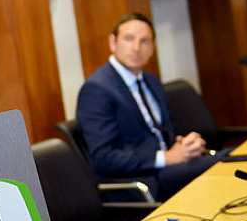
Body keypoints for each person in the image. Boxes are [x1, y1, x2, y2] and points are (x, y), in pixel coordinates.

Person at [76, 12, 221, 201]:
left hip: (168, 169)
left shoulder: (150, 81)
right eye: (129, 39)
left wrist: (184, 145)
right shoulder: (96, 90)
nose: (136, 48)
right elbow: (104, 158)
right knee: (226, 162)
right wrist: (166, 158)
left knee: (231, 160)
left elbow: (159, 134)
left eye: (144, 41)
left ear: (152, 48)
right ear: (113, 43)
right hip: (142, 182)